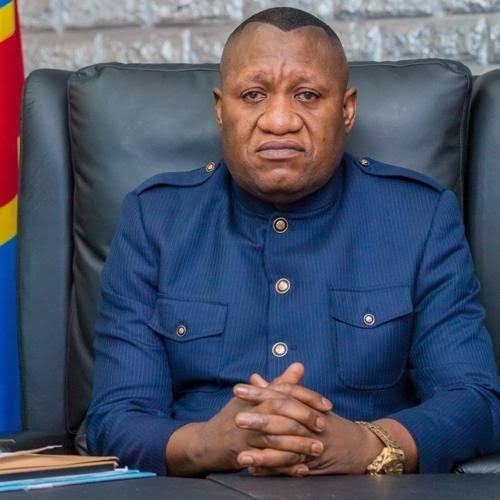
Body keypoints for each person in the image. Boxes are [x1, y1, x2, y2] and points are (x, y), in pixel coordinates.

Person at [86, 7, 500, 476]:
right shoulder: (155, 218)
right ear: (220, 109)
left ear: (346, 110)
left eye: (307, 95)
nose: (280, 120)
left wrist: (368, 445)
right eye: (253, 95)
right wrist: (207, 443)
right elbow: (114, 418)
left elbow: (474, 399)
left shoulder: (418, 216)